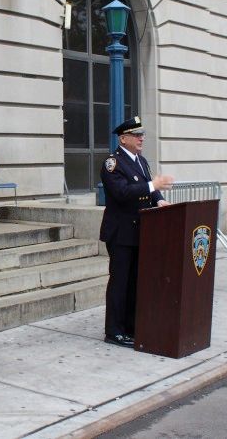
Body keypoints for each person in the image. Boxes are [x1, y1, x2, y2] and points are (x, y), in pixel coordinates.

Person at [99, 116, 174, 348]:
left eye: (142, 134)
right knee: (120, 282)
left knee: (135, 282)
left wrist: (159, 200)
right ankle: (114, 331)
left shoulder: (140, 161)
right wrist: (154, 186)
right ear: (123, 139)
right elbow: (122, 193)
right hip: (121, 233)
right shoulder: (113, 163)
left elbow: (148, 188)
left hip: (140, 231)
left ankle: (130, 326)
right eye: (136, 135)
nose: (141, 138)